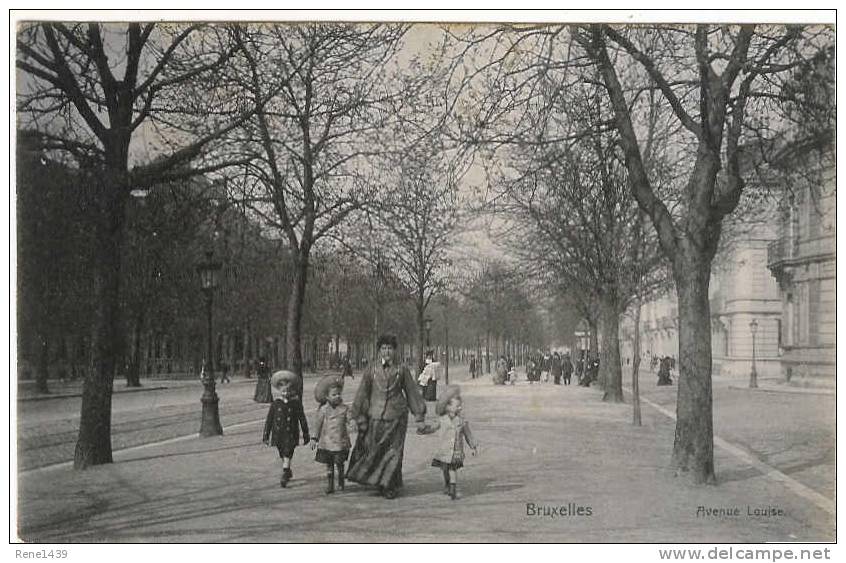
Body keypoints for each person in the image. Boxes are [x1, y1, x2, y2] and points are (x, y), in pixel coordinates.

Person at [348, 334, 427, 499]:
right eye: (383, 348)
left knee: (393, 452)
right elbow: (362, 393)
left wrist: (419, 417)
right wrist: (354, 415)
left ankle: (390, 485)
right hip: (375, 416)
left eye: (390, 348)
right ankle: (378, 480)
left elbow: (412, 392)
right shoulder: (371, 370)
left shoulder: (402, 370)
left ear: (395, 350)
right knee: (375, 450)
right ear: (379, 350)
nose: (387, 352)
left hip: (397, 417)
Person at [418, 385, 479, 500]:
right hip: (443, 451)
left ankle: (453, 489)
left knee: (452, 469)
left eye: (460, 406)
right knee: (445, 469)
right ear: (447, 407)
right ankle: (447, 484)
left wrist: (473, 447)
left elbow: (468, 435)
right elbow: (433, 428)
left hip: (455, 451)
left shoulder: (462, 422)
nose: (459, 408)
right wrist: (424, 429)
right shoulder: (442, 420)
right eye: (457, 406)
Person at [262, 370, 310, 488]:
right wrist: (266, 435)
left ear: (292, 390)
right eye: (283, 390)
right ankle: (287, 470)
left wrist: (306, 434)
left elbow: (302, 418)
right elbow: (269, 420)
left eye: (288, 390)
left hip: (291, 433)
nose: (286, 393)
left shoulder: (296, 404)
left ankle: (285, 472)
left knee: (288, 452)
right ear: (279, 390)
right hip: (278, 434)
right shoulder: (275, 404)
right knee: (282, 453)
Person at [311, 374, 355, 494]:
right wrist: (314, 438)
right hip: (326, 443)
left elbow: (350, 418)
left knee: (339, 463)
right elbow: (318, 425)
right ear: (327, 396)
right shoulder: (323, 410)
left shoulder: (344, 408)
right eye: (333, 395)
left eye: (339, 394)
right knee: (329, 464)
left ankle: (340, 480)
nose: (337, 396)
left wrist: (352, 422)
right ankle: (330, 484)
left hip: (340, 442)